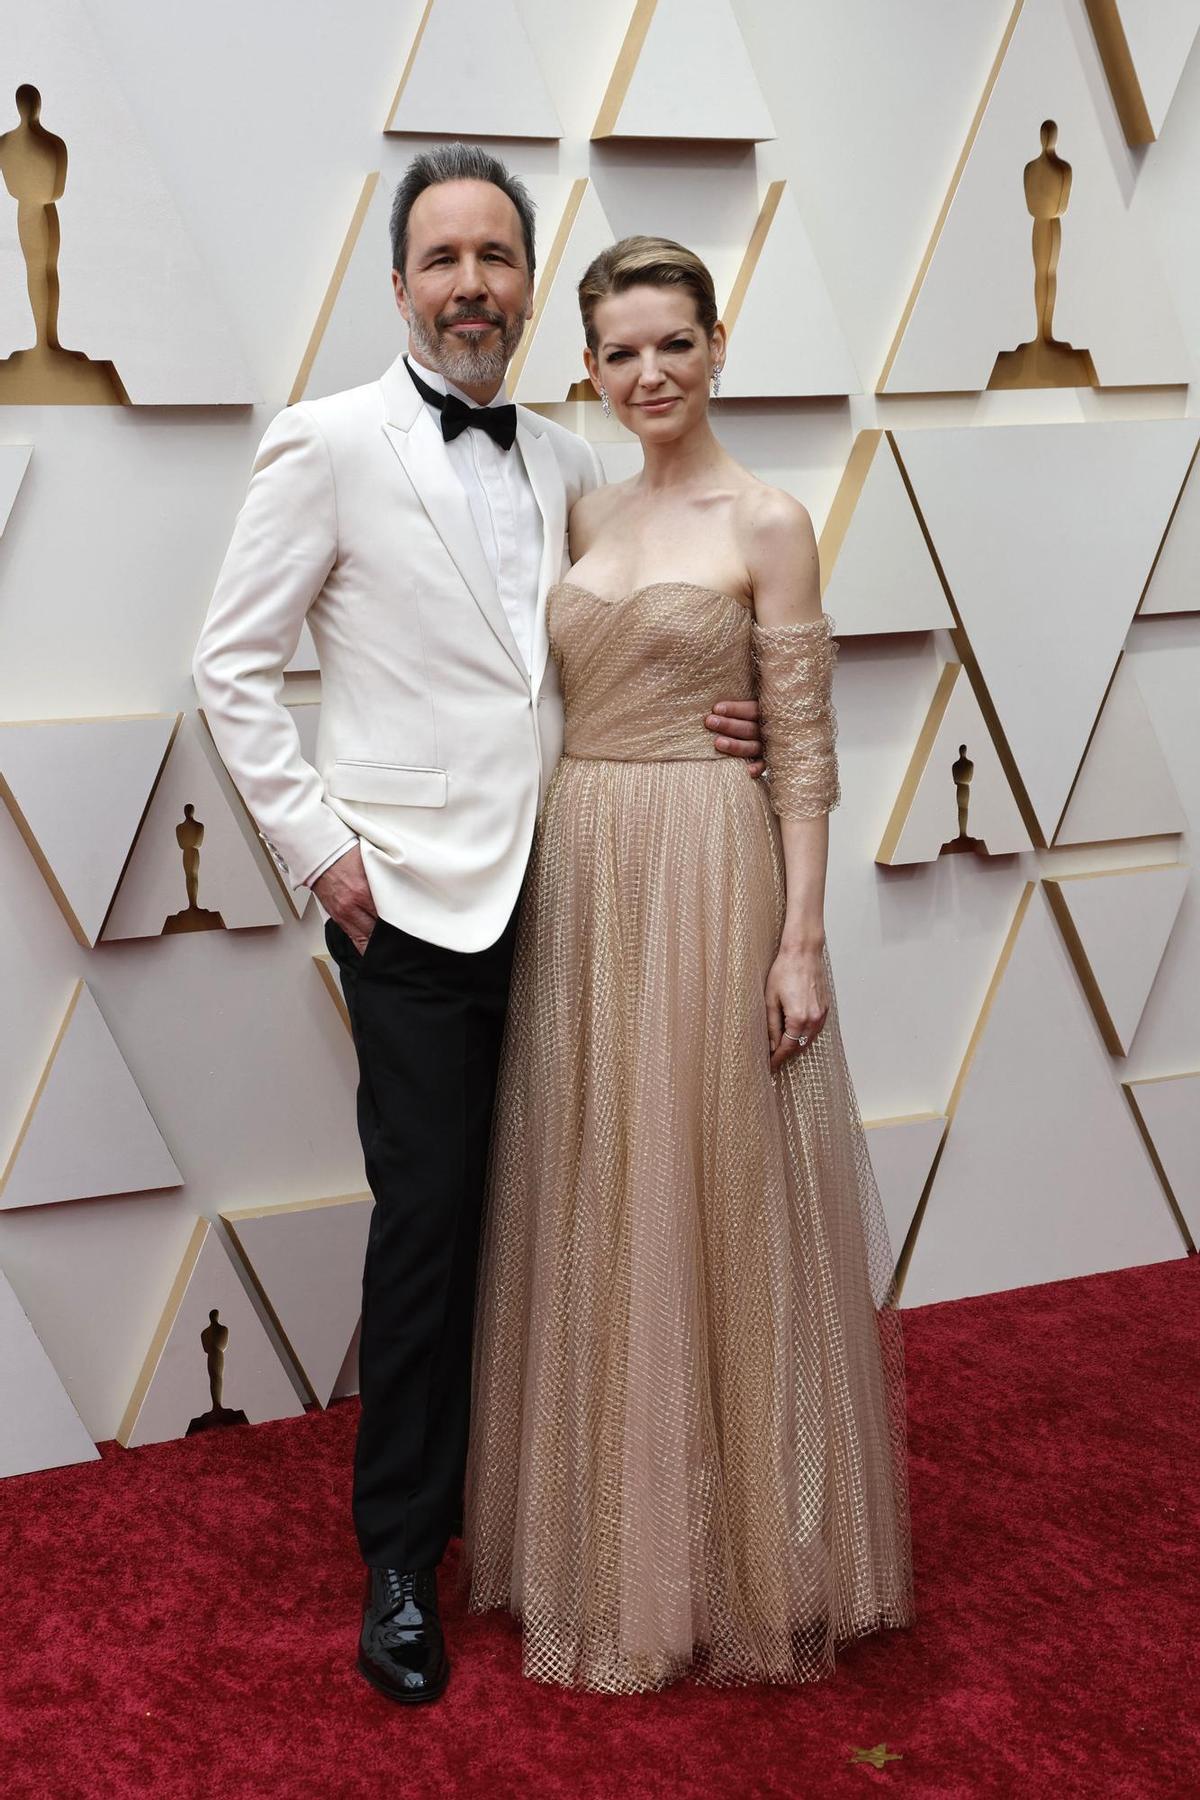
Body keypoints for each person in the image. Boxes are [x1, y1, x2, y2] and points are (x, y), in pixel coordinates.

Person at [192, 149, 763, 1706]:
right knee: (432, 1234)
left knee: (580, 1212)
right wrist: (323, 857)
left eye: (498, 258)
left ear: (529, 286)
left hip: (577, 893)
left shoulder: (576, 456)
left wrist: (733, 719)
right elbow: (228, 668)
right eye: (442, 257)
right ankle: (399, 1559)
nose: (471, 285)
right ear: (397, 286)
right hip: (411, 908)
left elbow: (644, 615)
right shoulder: (325, 445)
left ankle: (570, 1520)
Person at [465, 236, 915, 1692]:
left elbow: (805, 748)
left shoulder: (771, 519)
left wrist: (802, 940)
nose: (648, 375)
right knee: (599, 1185)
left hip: (711, 873)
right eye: (620, 353)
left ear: (719, 347)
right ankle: (604, 1539)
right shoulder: (579, 502)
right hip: (582, 868)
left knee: (712, 1190)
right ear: (585, 369)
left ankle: (741, 1550)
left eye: (674, 344)